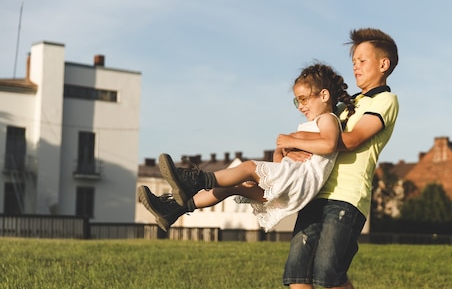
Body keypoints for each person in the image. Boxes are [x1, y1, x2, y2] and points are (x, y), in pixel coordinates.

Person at [283, 28, 399, 289]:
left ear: (384, 63)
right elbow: (315, 138)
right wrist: (293, 148)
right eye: (353, 61)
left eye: (362, 60)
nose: (356, 67)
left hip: (348, 197)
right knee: (297, 273)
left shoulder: (384, 102)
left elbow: (347, 141)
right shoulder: (347, 105)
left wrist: (298, 141)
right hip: (316, 193)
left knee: (328, 272)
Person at [138, 63, 355, 232]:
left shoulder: (327, 118)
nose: (300, 106)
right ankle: (174, 210)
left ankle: (194, 180)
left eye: (304, 99)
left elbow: (329, 144)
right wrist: (280, 154)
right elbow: (283, 163)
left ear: (324, 95)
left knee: (249, 166)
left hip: (298, 185)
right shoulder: (314, 122)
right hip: (291, 186)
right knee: (232, 186)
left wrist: (291, 141)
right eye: (297, 101)